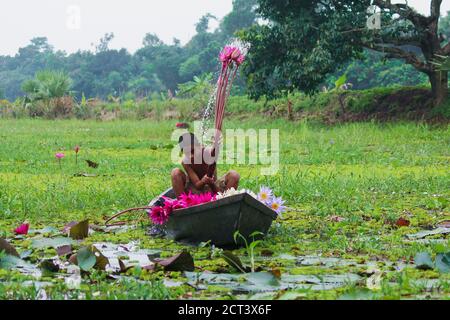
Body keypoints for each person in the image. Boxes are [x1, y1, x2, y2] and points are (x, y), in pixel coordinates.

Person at [171, 132, 240, 197]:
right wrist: (203, 181)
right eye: (187, 153)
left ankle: (227, 200)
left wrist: (216, 143)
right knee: (175, 172)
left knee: (234, 175)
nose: (191, 156)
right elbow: (197, 185)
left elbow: (215, 150)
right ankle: (182, 205)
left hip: (214, 188)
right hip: (196, 190)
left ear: (200, 145)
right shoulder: (186, 161)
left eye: (192, 151)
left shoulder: (208, 153)